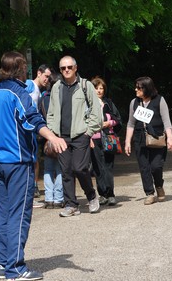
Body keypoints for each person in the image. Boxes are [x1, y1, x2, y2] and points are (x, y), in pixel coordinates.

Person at [0, 51, 67, 281]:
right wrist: (53, 137)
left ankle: (3, 263)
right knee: (19, 215)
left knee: (5, 215)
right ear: (20, 69)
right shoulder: (18, 93)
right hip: (18, 162)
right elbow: (33, 120)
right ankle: (15, 268)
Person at [46, 56, 102, 217]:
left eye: (69, 67)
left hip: (80, 135)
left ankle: (91, 195)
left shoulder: (85, 85)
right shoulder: (56, 87)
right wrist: (52, 132)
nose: (66, 70)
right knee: (66, 171)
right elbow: (51, 112)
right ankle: (71, 205)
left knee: (80, 168)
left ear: (76, 68)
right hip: (61, 137)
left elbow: (96, 112)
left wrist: (88, 132)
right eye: (63, 68)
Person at [124, 76, 172, 205]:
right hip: (140, 139)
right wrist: (127, 142)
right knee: (144, 167)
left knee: (156, 166)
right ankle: (150, 193)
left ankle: (159, 185)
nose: (136, 89)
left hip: (157, 138)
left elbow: (166, 121)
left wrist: (170, 138)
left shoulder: (159, 100)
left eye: (139, 87)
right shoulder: (134, 103)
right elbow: (130, 123)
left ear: (147, 88)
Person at [90, 77, 122, 206]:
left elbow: (118, 119)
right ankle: (102, 194)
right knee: (98, 167)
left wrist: (109, 123)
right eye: (96, 88)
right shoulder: (88, 104)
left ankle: (111, 194)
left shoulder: (108, 103)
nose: (99, 91)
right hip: (94, 139)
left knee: (108, 166)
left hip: (108, 137)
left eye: (101, 88)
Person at [26, 64, 52, 200]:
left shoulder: (38, 91)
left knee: (34, 159)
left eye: (49, 77)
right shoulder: (29, 85)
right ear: (38, 73)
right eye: (46, 76)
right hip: (27, 131)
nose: (47, 79)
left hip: (33, 131)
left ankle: (32, 187)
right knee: (30, 160)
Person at [39, 71, 64, 209]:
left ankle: (49, 198)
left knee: (48, 169)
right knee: (60, 168)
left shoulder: (43, 98)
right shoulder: (62, 97)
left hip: (46, 136)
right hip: (60, 137)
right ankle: (59, 198)